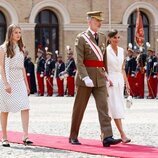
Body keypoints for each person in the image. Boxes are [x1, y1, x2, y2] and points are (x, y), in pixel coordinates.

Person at [69, 11, 121, 147]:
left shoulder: (103, 37)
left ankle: (107, 136)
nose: (100, 23)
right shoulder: (81, 38)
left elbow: (103, 59)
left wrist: (107, 75)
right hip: (85, 78)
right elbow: (78, 60)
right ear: (90, 21)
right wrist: (85, 76)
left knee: (103, 107)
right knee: (79, 108)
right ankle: (73, 135)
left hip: (99, 77)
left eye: (100, 21)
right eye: (97, 20)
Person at [0, 24, 33, 147]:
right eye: (16, 32)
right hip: (7, 80)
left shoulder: (21, 48)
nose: (18, 35)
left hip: (19, 81)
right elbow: (2, 67)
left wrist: (26, 84)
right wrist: (6, 83)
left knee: (25, 106)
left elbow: (22, 67)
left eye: (19, 32)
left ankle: (25, 135)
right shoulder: (2, 48)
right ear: (10, 34)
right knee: (4, 109)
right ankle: (4, 137)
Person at [106, 29, 131, 143]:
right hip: (109, 81)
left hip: (119, 81)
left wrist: (127, 83)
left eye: (118, 37)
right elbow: (102, 68)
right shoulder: (106, 51)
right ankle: (123, 134)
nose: (116, 40)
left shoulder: (121, 51)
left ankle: (104, 133)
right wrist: (107, 79)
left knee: (117, 108)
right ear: (109, 38)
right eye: (114, 37)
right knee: (113, 108)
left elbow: (122, 68)